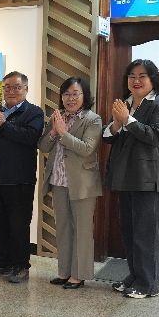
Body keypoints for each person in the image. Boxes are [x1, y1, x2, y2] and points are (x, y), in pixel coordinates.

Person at [104, 59, 159, 299]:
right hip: (125, 176)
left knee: (146, 234)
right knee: (130, 232)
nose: (136, 80)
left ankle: (148, 284)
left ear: (153, 79)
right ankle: (135, 276)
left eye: (142, 76)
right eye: (132, 76)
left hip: (147, 177)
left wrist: (128, 120)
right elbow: (109, 136)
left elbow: (154, 136)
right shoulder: (126, 103)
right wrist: (116, 124)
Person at [38, 77, 102, 290]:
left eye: (75, 94)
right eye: (66, 94)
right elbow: (44, 146)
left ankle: (79, 275)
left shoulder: (92, 119)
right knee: (63, 228)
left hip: (82, 183)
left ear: (85, 96)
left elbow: (87, 149)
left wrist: (63, 133)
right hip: (58, 180)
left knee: (82, 230)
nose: (70, 98)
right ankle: (64, 272)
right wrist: (54, 132)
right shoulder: (57, 116)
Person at [0, 72, 44, 283]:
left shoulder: (34, 112)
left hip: (20, 179)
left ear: (26, 89)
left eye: (17, 87)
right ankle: (2, 261)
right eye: (7, 87)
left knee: (18, 225)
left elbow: (30, 138)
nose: (11, 91)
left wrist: (4, 125)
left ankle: (20, 265)